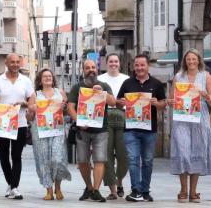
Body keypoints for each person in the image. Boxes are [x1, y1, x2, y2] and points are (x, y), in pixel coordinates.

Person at [167, 48, 211, 203]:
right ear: (185, 61)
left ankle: (193, 192)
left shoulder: (206, 76)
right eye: (188, 59)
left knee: (197, 151)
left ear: (198, 60)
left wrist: (206, 95)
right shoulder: (178, 77)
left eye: (193, 59)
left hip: (199, 116)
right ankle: (183, 189)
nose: (191, 62)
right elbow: (170, 100)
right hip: (182, 118)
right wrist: (170, 102)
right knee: (182, 152)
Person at [115, 54, 167, 202]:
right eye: (137, 65)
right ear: (134, 67)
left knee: (148, 161)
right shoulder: (127, 83)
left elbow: (163, 105)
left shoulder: (156, 84)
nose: (139, 68)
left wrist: (156, 103)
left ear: (147, 66)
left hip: (149, 129)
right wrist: (122, 102)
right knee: (132, 159)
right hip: (130, 128)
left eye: (142, 65)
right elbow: (118, 103)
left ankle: (145, 190)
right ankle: (136, 190)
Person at [67, 59, 116, 202]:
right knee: (82, 161)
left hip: (101, 129)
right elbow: (70, 107)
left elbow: (113, 102)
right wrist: (78, 121)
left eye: (93, 67)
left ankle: (96, 190)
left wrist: (102, 93)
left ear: (97, 69)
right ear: (83, 70)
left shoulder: (104, 85)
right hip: (82, 130)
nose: (91, 70)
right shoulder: (77, 87)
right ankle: (89, 187)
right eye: (87, 67)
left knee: (100, 159)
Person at [0, 53, 34, 200]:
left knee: (16, 156)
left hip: (20, 123)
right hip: (2, 123)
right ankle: (11, 184)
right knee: (3, 157)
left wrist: (23, 104)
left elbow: (32, 103)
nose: (15, 64)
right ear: (6, 63)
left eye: (18, 62)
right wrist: (5, 108)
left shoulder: (26, 81)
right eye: (13, 62)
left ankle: (14, 187)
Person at [29, 68, 71, 201]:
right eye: (45, 76)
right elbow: (30, 116)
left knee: (57, 158)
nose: (48, 78)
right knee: (43, 159)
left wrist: (64, 107)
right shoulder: (35, 95)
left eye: (50, 76)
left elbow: (67, 112)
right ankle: (49, 190)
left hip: (57, 129)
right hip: (40, 131)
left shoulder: (60, 92)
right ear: (40, 81)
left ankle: (58, 187)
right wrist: (32, 109)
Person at [97, 54, 129, 200]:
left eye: (116, 61)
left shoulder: (126, 79)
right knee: (107, 155)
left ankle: (119, 180)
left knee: (124, 156)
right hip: (105, 117)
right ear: (106, 63)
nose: (113, 64)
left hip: (124, 117)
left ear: (119, 63)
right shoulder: (100, 79)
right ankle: (113, 190)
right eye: (111, 61)